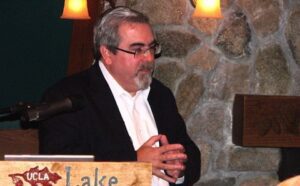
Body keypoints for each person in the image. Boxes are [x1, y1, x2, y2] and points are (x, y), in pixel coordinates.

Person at [39, 6, 200, 186]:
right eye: (137, 50)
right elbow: (58, 170)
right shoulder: (67, 97)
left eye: (151, 48)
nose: (148, 58)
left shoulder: (160, 95)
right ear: (107, 53)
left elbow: (190, 155)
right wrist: (133, 161)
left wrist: (179, 168)